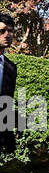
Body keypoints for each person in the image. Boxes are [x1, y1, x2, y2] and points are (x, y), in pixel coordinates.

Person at [0, 13, 16, 155]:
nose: (7, 35)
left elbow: (7, 103)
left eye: (10, 31)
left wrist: (9, 138)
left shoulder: (11, 67)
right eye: (2, 31)